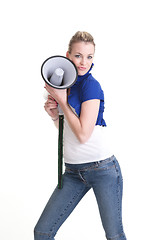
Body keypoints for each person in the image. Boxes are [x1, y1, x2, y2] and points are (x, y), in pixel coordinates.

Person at [34, 31, 127, 240]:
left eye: (89, 56)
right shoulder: (62, 85)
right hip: (73, 172)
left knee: (114, 235)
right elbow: (69, 132)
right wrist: (54, 116)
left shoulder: (91, 86)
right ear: (68, 55)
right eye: (78, 55)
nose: (83, 62)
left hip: (102, 169)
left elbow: (84, 134)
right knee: (42, 231)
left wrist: (63, 103)